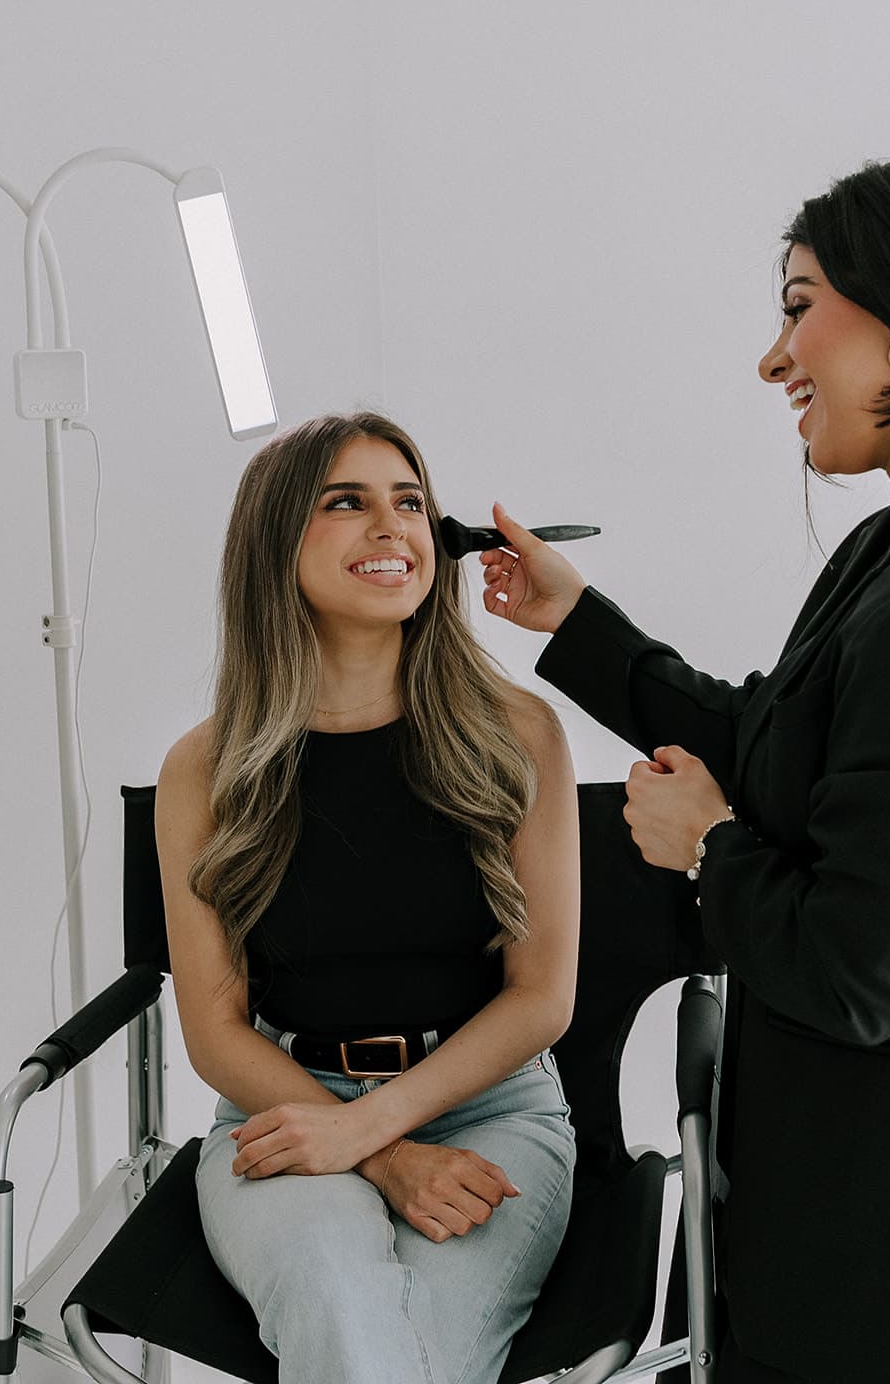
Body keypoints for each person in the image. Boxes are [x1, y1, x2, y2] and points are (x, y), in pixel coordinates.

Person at [482, 151, 890, 1384]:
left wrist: (707, 847)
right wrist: (581, 626)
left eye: (797, 305)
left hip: (889, 1221)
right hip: (822, 1173)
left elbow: (867, 972)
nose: (773, 361)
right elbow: (780, 752)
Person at [156, 411, 580, 1384]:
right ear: (273, 541)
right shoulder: (206, 769)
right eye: (345, 502)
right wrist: (373, 1146)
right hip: (284, 1109)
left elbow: (539, 998)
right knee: (339, 1310)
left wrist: (376, 1126)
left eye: (411, 504)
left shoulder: (519, 736)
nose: (393, 528)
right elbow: (216, 1031)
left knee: (410, 1353)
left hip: (489, 1111)